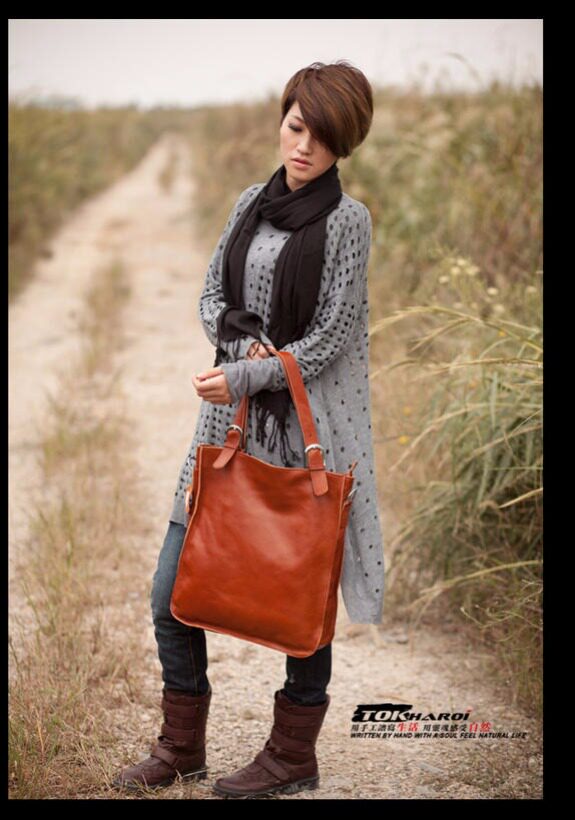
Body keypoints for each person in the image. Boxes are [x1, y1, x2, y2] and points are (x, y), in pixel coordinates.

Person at [112, 59, 384, 798]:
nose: (305, 147)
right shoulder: (247, 205)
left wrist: (247, 375)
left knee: (300, 603)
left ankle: (293, 757)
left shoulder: (347, 222)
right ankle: (181, 748)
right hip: (224, 429)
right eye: (296, 127)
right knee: (171, 591)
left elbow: (329, 339)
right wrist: (240, 348)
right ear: (283, 121)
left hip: (299, 432)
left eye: (324, 138)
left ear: (344, 144)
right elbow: (211, 297)